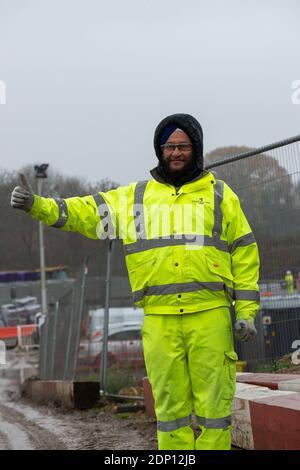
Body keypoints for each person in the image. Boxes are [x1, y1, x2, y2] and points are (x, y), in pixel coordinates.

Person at [11, 113, 260, 450]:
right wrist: (38, 206)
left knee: (214, 409)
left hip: (210, 315)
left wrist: (246, 312)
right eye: (169, 146)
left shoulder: (220, 195)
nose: (175, 152)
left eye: (182, 146)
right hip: (159, 320)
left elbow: (244, 253)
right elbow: (85, 212)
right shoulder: (135, 198)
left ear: (196, 148)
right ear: (159, 150)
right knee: (170, 411)